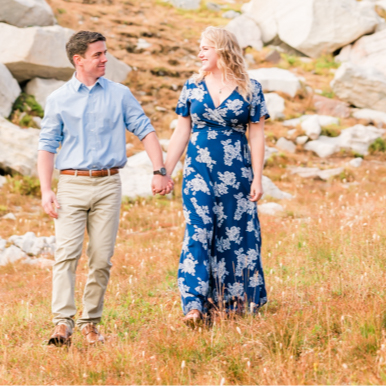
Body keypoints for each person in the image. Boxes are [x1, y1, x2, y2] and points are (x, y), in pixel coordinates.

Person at [38, 30, 171, 347]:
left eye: (105, 53)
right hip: (71, 184)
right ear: (78, 59)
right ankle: (62, 324)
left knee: (101, 259)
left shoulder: (119, 94)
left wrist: (159, 170)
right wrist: (46, 190)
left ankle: (90, 324)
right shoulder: (58, 99)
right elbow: (46, 146)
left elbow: (146, 131)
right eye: (97, 55)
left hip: (109, 185)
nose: (104, 59)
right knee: (66, 255)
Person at [162, 26, 269, 322]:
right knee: (198, 231)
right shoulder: (193, 86)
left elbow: (257, 136)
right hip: (199, 174)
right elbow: (181, 131)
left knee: (235, 235)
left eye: (205, 48)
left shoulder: (251, 88)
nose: (199, 54)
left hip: (237, 176)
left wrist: (258, 178)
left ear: (222, 50)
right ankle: (194, 304)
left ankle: (232, 301)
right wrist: (164, 171)